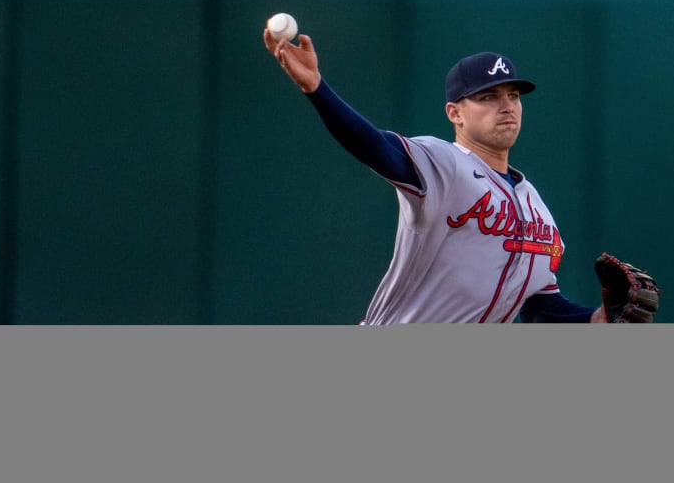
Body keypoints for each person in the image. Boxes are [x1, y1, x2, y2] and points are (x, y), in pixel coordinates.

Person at [264, 27, 616, 324]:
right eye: (489, 96)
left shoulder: (537, 208)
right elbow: (373, 146)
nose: (507, 105)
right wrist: (317, 88)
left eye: (513, 95)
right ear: (455, 113)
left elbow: (537, 306)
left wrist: (598, 319)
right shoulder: (444, 164)